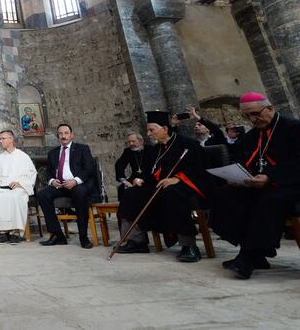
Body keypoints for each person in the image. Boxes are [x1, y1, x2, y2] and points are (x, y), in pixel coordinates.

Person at [210, 92, 300, 279]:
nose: (253, 119)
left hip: (290, 184)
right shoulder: (252, 136)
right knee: (225, 194)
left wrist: (270, 178)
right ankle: (254, 253)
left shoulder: (293, 128)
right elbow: (244, 161)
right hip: (260, 184)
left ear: (270, 108)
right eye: (247, 116)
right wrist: (237, 177)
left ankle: (248, 257)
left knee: (269, 199)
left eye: (256, 114)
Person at [116, 111, 210, 262]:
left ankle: (189, 245)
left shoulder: (187, 144)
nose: (148, 134)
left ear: (165, 129)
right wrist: (141, 180)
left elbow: (198, 168)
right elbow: (150, 173)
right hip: (160, 187)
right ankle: (136, 241)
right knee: (131, 193)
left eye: (151, 130)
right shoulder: (155, 150)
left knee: (171, 192)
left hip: (186, 186)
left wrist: (177, 178)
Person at [37, 124, 96, 249]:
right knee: (42, 195)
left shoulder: (82, 149)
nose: (63, 136)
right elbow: (48, 172)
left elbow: (89, 168)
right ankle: (58, 235)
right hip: (60, 185)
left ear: (72, 135)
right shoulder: (52, 153)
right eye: (60, 134)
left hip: (76, 184)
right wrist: (52, 181)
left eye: (66, 133)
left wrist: (75, 180)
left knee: (80, 193)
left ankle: (83, 237)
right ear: (58, 136)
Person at [0, 129, 36, 244]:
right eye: (0, 139)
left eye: (3, 138)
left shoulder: (23, 157)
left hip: (17, 188)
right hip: (1, 188)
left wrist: (20, 183)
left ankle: (15, 232)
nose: (0, 141)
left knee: (15, 197)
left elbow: (32, 174)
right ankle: (1, 232)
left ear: (11, 139)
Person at [114, 132, 147, 199]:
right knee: (122, 188)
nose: (131, 144)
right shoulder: (128, 151)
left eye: (133, 141)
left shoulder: (150, 150)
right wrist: (124, 180)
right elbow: (120, 164)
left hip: (148, 177)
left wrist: (142, 180)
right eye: (129, 142)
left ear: (141, 141)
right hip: (134, 177)